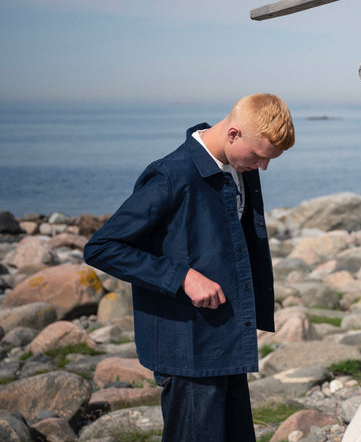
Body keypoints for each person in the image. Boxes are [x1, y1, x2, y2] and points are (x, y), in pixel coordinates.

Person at [83, 93, 295, 441]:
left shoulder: (241, 167)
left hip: (227, 337)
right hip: (187, 348)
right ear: (233, 134)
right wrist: (183, 277)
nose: (264, 167)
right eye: (259, 156)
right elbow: (103, 247)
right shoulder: (172, 175)